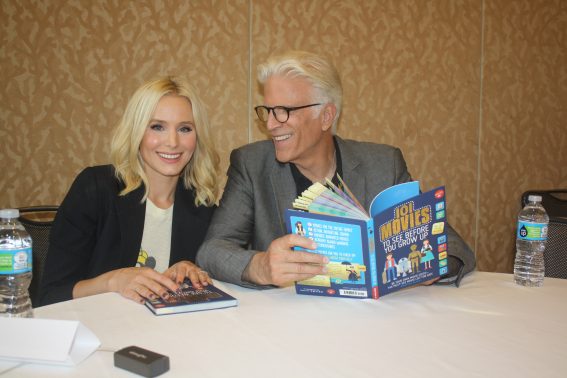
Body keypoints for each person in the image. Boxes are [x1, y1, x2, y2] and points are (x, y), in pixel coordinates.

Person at [197, 50, 475, 288]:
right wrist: (260, 266)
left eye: (283, 110)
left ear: (326, 116)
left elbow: (452, 246)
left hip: (372, 324)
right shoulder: (252, 164)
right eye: (267, 110)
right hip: (286, 328)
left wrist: (428, 266)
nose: (270, 124)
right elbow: (212, 250)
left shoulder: (383, 164)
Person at [40, 76, 220, 306]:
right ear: (136, 132)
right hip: (100, 332)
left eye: (185, 129)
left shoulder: (203, 206)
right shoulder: (95, 189)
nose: (173, 142)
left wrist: (193, 273)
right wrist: (112, 281)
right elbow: (49, 296)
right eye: (157, 127)